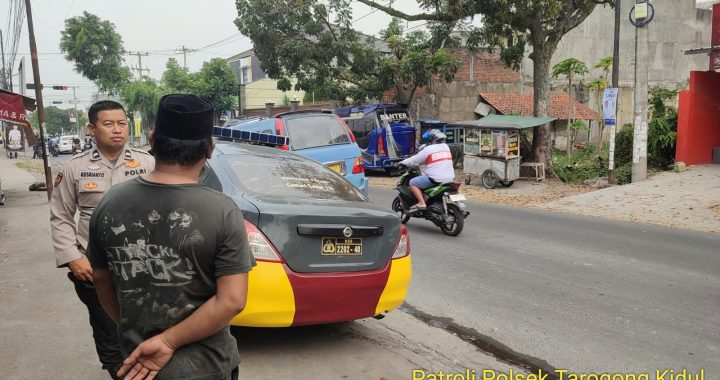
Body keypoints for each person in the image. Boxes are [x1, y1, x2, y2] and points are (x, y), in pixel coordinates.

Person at [87, 94, 256, 380]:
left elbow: (102, 281)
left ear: (152, 140)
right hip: (206, 366)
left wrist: (135, 331)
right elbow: (232, 301)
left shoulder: (109, 203)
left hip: (137, 361)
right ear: (210, 148)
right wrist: (167, 342)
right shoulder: (223, 210)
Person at [50, 100, 155, 379]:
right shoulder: (75, 167)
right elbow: (61, 216)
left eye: (121, 123)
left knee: (146, 325)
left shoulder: (147, 162)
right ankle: (117, 371)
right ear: (91, 129)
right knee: (107, 330)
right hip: (93, 267)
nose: (117, 130)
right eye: (108, 124)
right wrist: (73, 257)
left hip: (142, 263)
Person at [398, 129, 455, 211]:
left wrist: (402, 163)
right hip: (450, 178)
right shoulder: (446, 147)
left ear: (431, 139)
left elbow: (414, 159)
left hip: (436, 179)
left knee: (412, 182)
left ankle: (421, 203)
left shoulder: (428, 149)